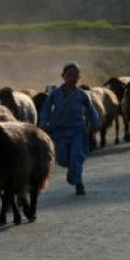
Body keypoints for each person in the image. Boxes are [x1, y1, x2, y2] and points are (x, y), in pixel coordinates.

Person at [38, 61, 100, 196]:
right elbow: (46, 109)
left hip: (77, 131)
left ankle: (78, 183)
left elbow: (90, 109)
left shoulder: (82, 95)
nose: (72, 78)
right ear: (63, 76)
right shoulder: (54, 94)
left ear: (79, 77)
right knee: (62, 158)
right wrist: (43, 123)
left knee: (76, 157)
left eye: (75, 76)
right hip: (58, 132)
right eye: (69, 75)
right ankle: (73, 170)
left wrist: (95, 122)